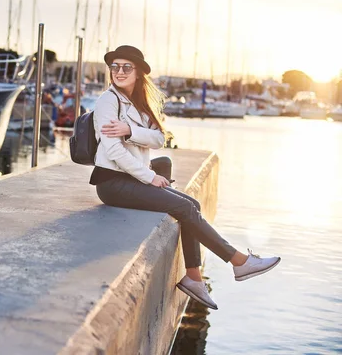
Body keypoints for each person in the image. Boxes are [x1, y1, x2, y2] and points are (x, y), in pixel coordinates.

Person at [90, 45, 281, 310]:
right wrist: (149, 177)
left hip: (131, 178)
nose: (119, 72)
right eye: (115, 67)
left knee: (193, 205)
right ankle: (238, 261)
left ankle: (194, 278)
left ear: (138, 73)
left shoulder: (142, 103)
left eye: (126, 67)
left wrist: (130, 130)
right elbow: (112, 150)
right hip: (112, 183)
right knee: (183, 206)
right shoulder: (107, 101)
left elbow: (158, 139)